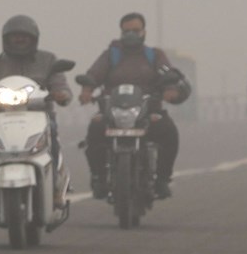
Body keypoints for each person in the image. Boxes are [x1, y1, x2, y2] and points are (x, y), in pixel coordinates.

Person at [78, 12, 191, 199]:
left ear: (144, 32)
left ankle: (162, 179)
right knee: (95, 129)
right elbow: (93, 74)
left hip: (148, 112)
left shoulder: (154, 55)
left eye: (135, 30)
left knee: (169, 132)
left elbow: (167, 73)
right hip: (111, 113)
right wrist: (86, 90)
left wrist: (170, 89)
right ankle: (98, 178)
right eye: (127, 31)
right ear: (121, 32)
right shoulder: (110, 56)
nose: (131, 34)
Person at [0, 14, 73, 206]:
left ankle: (55, 186)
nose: (19, 39)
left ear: (34, 39)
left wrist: (61, 94)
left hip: (40, 117)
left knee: (52, 134)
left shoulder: (48, 60)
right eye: (15, 36)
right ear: (5, 39)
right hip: (2, 117)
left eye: (24, 36)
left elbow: (61, 85)